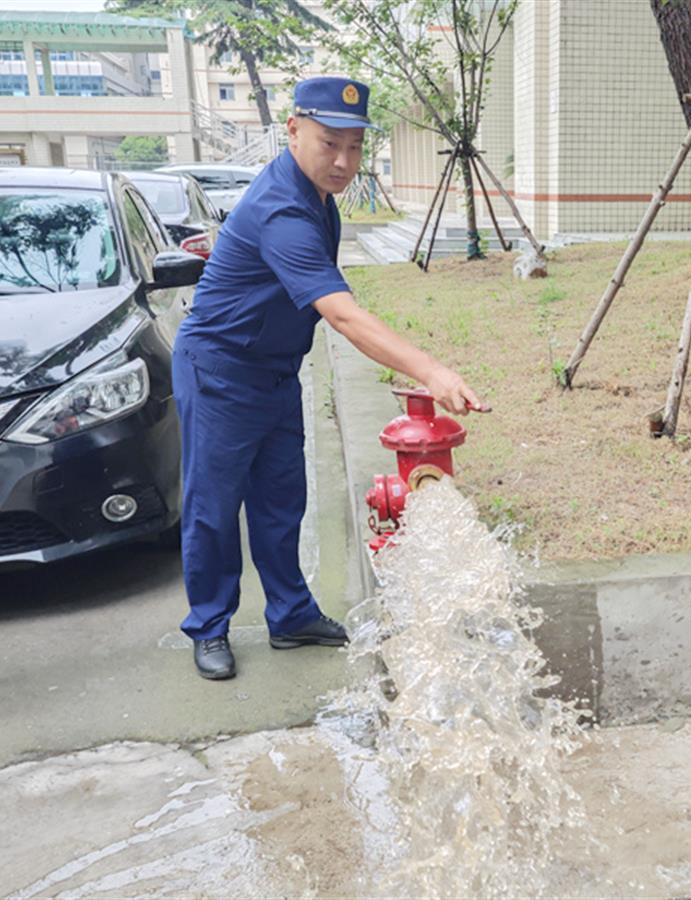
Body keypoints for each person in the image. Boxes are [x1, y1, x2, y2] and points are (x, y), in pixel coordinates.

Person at [172, 76, 481, 680]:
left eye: (355, 148)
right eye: (329, 143)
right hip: (220, 372)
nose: (343, 162)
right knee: (213, 507)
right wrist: (431, 369)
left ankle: (289, 616)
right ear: (293, 131)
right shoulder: (281, 209)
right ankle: (209, 626)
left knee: (282, 498)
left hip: (275, 373)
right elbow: (340, 312)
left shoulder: (317, 197)